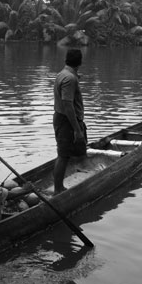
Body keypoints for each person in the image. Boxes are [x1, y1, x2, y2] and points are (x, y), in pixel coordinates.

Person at [52, 49, 87, 194]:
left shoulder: (64, 74)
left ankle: (73, 175)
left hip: (63, 118)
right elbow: (67, 105)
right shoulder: (70, 79)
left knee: (77, 149)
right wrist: (77, 129)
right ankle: (58, 189)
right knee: (63, 155)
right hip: (66, 121)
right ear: (80, 62)